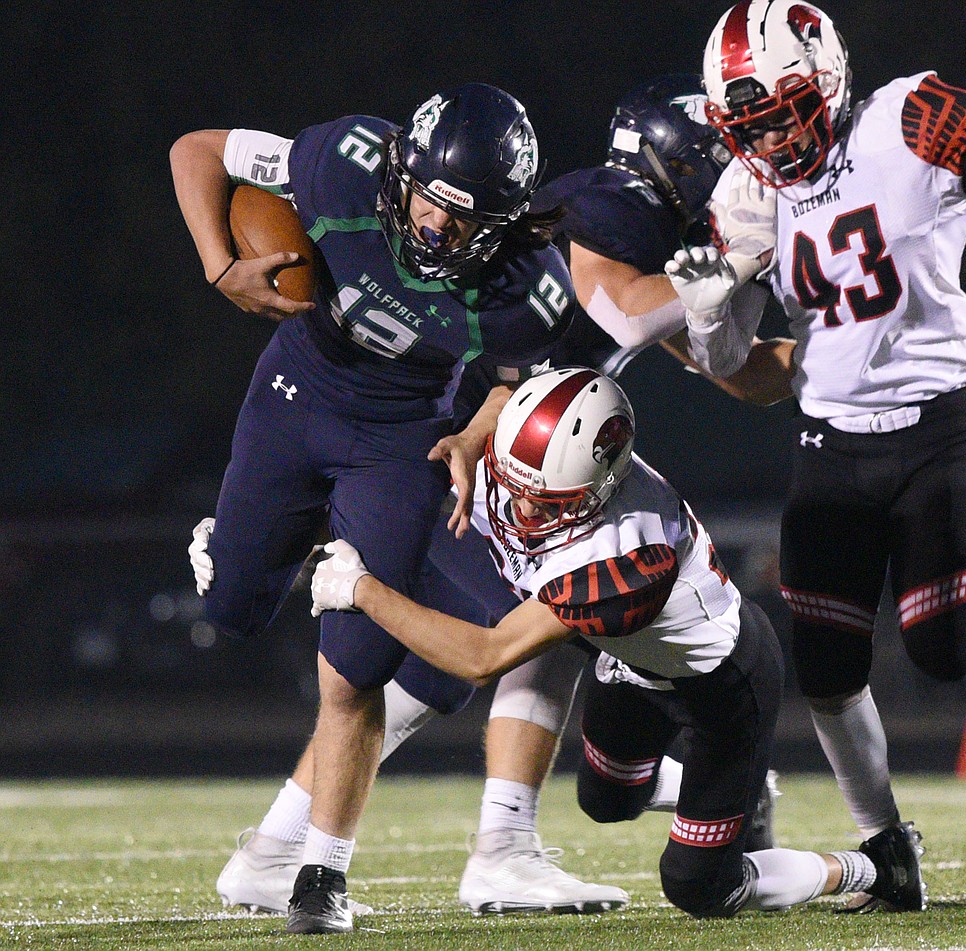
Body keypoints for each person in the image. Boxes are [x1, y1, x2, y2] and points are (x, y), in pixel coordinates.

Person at [200, 74, 795, 920]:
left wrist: (843, 354)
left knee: (441, 671)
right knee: (529, 630)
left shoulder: (641, 236)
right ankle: (504, 849)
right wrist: (739, 260)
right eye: (721, 163)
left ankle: (273, 848)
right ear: (675, 164)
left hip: (498, 445)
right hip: (457, 447)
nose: (735, 181)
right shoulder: (611, 208)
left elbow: (730, 371)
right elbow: (622, 312)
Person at [665, 0, 966, 911]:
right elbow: (730, 357)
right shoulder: (744, 190)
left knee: (942, 653)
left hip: (938, 423)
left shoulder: (907, 116)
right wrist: (702, 312)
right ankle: (887, 847)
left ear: (830, 76)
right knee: (826, 672)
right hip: (831, 437)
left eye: (784, 110)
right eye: (752, 123)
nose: (772, 137)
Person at [170, 82, 573, 934]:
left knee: (353, 666)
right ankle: (252, 538)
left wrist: (472, 436)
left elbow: (511, 381)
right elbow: (195, 150)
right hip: (295, 392)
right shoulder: (340, 162)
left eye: (463, 218)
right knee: (234, 611)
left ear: (502, 223)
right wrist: (218, 262)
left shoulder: (527, 287)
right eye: (427, 198)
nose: (434, 227)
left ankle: (321, 876)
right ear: (400, 171)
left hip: (400, 438)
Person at [310, 367, 926, 920]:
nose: (521, 508)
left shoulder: (632, 558)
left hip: (721, 685)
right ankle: (741, 801)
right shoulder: (530, 449)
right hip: (632, 665)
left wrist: (360, 588)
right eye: (515, 482)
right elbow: (503, 397)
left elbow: (483, 658)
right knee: (605, 801)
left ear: (603, 485)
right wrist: (471, 444)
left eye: (544, 500)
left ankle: (877, 865)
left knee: (701, 888)